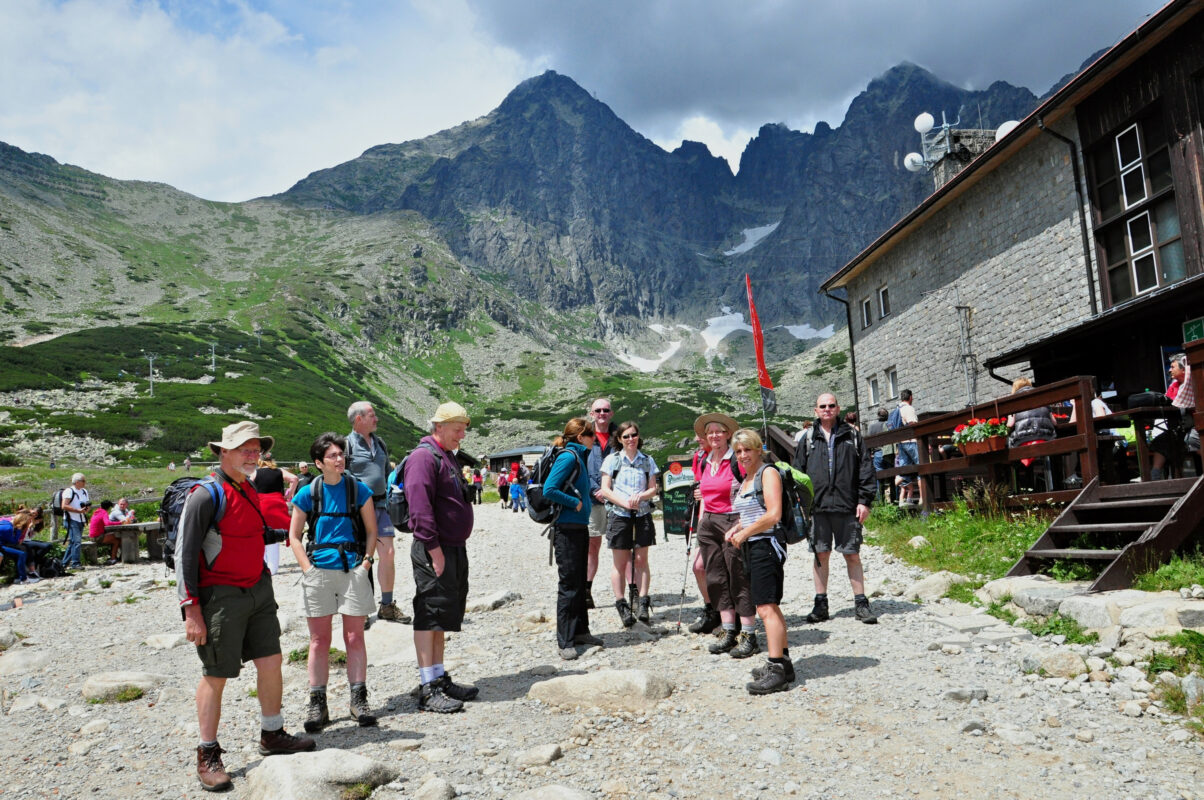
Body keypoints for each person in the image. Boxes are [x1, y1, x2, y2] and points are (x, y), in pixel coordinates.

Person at [177, 421, 314, 792]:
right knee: (216, 674)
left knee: (271, 660)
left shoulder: (247, 486)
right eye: (244, 449)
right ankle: (207, 752)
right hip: (219, 596)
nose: (253, 456)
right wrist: (191, 610)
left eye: (256, 450)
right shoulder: (205, 494)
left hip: (258, 587)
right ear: (223, 452)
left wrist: (289, 533)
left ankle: (272, 733)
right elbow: (185, 554)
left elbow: (248, 532)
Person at [289, 432, 380, 732]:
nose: (339, 459)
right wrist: (307, 570)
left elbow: (371, 530)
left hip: (352, 569)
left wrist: (366, 562)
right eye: (332, 456)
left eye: (341, 454)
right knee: (319, 641)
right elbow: (294, 536)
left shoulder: (359, 490)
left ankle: (359, 699)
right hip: (318, 573)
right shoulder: (307, 493)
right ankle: (318, 704)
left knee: (354, 637)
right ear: (319, 462)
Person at [404, 402, 479, 713]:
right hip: (435, 548)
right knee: (430, 610)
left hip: (451, 547)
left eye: (463, 428)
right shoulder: (423, 457)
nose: (462, 434)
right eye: (457, 428)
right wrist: (434, 550)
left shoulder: (446, 455)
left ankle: (438, 675)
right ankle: (427, 686)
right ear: (439, 427)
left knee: (443, 611)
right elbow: (419, 508)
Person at [792, 393, 878, 625]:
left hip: (847, 505)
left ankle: (861, 603)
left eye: (831, 405)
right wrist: (801, 504)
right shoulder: (808, 438)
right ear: (816, 410)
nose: (827, 409)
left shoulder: (852, 435)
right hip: (818, 508)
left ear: (838, 408)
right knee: (821, 555)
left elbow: (866, 469)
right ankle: (821, 605)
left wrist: (864, 501)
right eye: (823, 406)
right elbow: (797, 473)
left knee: (852, 554)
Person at [724, 429, 795, 693]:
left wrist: (744, 532)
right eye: (738, 451)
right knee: (770, 606)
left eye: (747, 450)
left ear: (758, 450)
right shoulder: (747, 479)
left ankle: (775, 668)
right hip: (754, 546)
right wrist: (737, 527)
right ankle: (783, 664)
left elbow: (773, 514)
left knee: (765, 608)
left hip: (766, 546)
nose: (743, 455)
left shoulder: (768, 473)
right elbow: (755, 512)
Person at [693, 413, 759, 658]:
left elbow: (752, 489)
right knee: (716, 577)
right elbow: (704, 492)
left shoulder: (737, 459)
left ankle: (749, 633)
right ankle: (728, 630)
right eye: (709, 432)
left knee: (738, 576)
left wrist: (743, 523)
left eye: (718, 431)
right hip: (708, 522)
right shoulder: (704, 460)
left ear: (727, 434)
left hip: (733, 521)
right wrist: (702, 521)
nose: (713, 436)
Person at [543, 417, 605, 660]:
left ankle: (581, 631)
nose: (594, 439)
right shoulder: (569, 456)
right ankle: (565, 640)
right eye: (591, 435)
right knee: (569, 584)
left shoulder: (579, 456)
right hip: (567, 528)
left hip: (577, 527)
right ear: (581, 437)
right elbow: (550, 489)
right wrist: (575, 503)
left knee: (579, 581)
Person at [346, 401, 410, 624]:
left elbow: (386, 474)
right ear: (358, 419)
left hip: (381, 505)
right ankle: (361, 608)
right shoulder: (346, 445)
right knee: (361, 556)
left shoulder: (380, 443)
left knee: (388, 554)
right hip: (358, 509)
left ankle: (387, 605)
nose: (377, 419)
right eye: (372, 415)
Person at [599, 420, 659, 627]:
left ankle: (643, 601)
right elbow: (605, 489)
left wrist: (640, 497)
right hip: (619, 514)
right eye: (626, 436)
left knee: (641, 559)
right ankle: (621, 603)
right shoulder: (612, 460)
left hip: (642, 514)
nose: (631, 439)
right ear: (619, 439)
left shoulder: (647, 460)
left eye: (633, 435)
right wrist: (625, 502)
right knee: (620, 562)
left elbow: (654, 488)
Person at [584, 398, 619, 609]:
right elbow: (580, 466)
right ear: (591, 413)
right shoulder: (584, 437)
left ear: (611, 413)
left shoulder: (620, 436)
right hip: (592, 498)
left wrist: (610, 491)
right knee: (592, 547)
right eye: (598, 410)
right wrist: (595, 489)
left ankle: (624, 594)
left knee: (622, 547)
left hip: (616, 499)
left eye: (606, 410)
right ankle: (587, 591)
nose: (602, 413)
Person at [686, 435, 719, 634]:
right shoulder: (699, 457)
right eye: (696, 434)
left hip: (725, 518)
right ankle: (712, 609)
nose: (697, 438)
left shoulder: (728, 457)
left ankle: (728, 614)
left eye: (701, 434)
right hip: (704, 517)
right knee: (699, 567)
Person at [1151, 355, 1199, 480]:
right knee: (1161, 440)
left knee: (1192, 438)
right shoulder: (1174, 386)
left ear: (1184, 370)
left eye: (1173, 367)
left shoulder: (1195, 382)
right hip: (1182, 427)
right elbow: (1169, 401)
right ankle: (1155, 475)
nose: (1169, 370)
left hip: (1196, 425)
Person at [251, 453, 298, 576]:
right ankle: (273, 567)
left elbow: (248, 485)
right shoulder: (280, 471)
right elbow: (294, 479)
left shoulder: (256, 472)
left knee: (262, 533)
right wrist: (289, 494)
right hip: (277, 504)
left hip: (262, 505)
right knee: (275, 535)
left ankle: (265, 565)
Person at [1007, 377, 1057, 490]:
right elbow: (1054, 422)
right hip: (1046, 437)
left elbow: (1010, 424)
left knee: (1011, 445)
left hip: (1023, 439)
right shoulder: (1042, 397)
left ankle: (1019, 486)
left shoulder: (1012, 401)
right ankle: (1051, 486)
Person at [892, 390, 922, 506]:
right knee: (921, 468)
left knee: (905, 469)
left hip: (901, 443)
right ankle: (922, 499)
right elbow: (912, 424)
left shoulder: (897, 409)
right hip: (911, 442)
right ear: (911, 397)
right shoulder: (908, 408)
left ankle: (898, 480)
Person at [59, 472, 90, 571]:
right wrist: (77, 510)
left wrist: (86, 509)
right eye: (83, 481)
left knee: (73, 542)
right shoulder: (69, 491)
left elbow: (86, 503)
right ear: (77, 482)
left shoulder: (84, 491)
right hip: (71, 518)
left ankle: (64, 563)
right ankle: (75, 563)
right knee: (76, 541)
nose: (85, 483)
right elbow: (64, 506)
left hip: (80, 518)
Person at [0, 512, 38, 585]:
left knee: (22, 551)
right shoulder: (8, 528)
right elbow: (15, 542)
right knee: (21, 554)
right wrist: (19, 530)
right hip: (1, 546)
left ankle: (22, 577)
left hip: (2, 544)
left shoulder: (7, 524)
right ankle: (23, 579)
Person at [865, 407, 890, 501]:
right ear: (887, 416)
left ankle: (880, 500)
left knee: (879, 477)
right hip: (889, 452)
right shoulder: (889, 424)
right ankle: (893, 498)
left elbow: (869, 441)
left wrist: (869, 454)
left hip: (877, 453)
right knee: (892, 475)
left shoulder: (872, 427)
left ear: (878, 416)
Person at [90, 499, 122, 564]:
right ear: (108, 507)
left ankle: (114, 556)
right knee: (117, 540)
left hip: (92, 536)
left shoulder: (96, 511)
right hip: (98, 537)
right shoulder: (104, 512)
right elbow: (107, 523)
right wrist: (119, 523)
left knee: (113, 537)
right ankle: (113, 558)